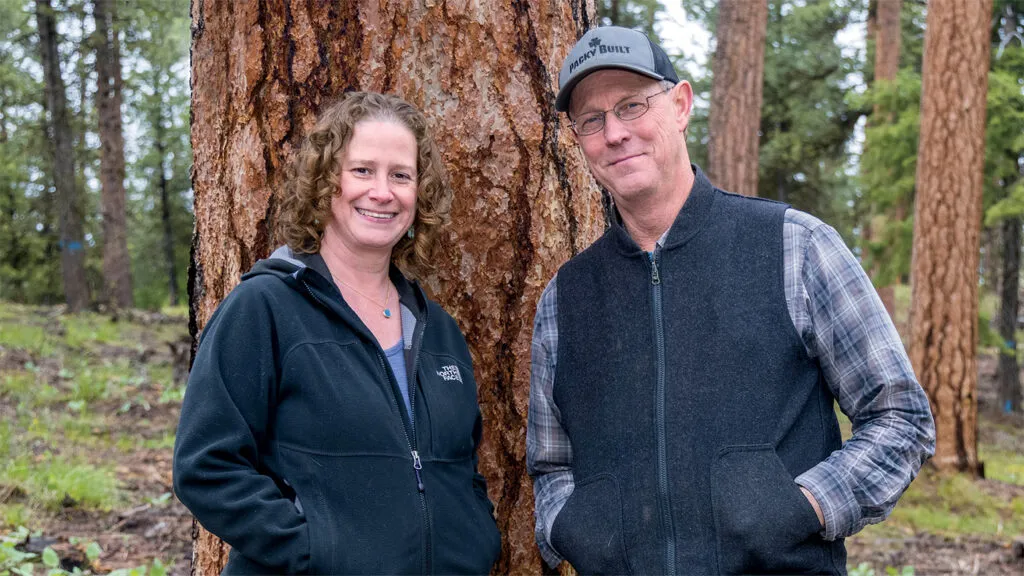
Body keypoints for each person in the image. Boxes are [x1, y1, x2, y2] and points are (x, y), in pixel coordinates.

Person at [527, 26, 935, 575]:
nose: (616, 133)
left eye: (632, 105)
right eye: (592, 120)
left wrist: (804, 506)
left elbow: (900, 417)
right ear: (578, 139)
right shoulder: (565, 298)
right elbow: (551, 465)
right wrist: (570, 529)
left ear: (680, 105)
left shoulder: (795, 246)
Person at [173, 91, 501, 575]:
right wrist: (319, 550)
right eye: (362, 170)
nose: (382, 191)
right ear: (327, 182)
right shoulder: (265, 308)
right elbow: (206, 466)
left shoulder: (439, 333)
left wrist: (476, 539)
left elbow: (459, 469)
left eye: (401, 176)